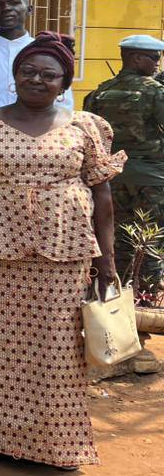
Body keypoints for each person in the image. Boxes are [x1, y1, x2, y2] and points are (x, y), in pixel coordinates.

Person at [0, 32, 125, 469]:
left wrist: (107, 259)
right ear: (14, 76)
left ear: (64, 83)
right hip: (0, 251)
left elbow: (103, 197)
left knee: (59, 349)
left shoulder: (84, 127)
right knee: (1, 348)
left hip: (65, 252)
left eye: (48, 75)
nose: (37, 79)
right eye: (28, 71)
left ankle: (56, 444)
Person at [83, 35, 164, 298]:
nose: (157, 63)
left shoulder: (100, 91)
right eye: (154, 58)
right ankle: (147, 298)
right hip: (151, 178)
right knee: (150, 240)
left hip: (112, 180)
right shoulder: (155, 91)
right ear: (136, 58)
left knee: (117, 238)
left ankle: (116, 294)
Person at [0, 0, 75, 111]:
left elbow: (64, 102)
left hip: (39, 122)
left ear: (29, 10)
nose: (6, 8)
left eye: (14, 3)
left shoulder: (48, 51)